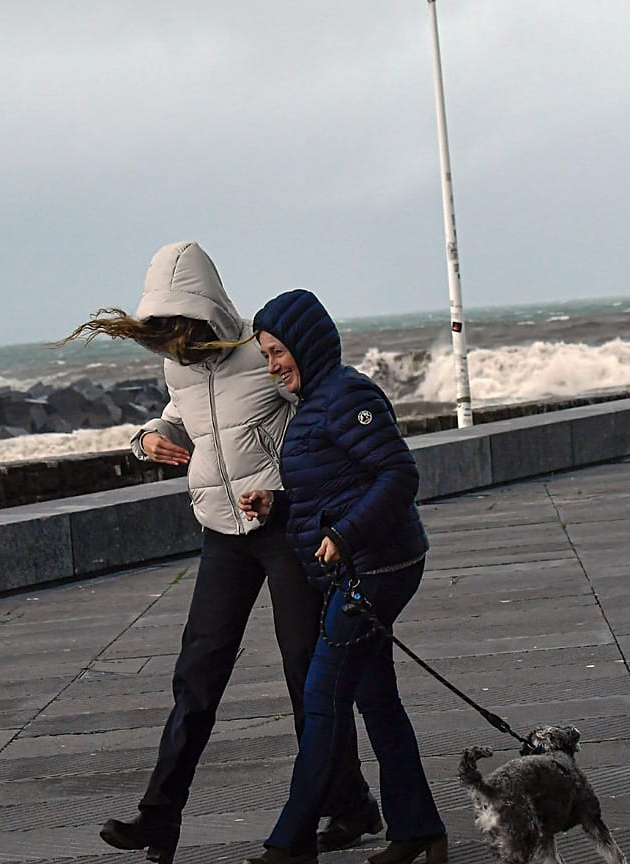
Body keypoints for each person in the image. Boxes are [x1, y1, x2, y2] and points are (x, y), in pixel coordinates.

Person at [59, 243, 380, 861]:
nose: (172, 341)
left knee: (303, 677)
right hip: (220, 536)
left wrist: (309, 499)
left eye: (179, 325)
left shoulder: (259, 354)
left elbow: (318, 419)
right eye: (162, 330)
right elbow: (180, 418)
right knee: (196, 679)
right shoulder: (177, 365)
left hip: (283, 531)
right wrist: (148, 438)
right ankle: (159, 818)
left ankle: (346, 805)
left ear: (204, 307)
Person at [237, 289, 446, 864]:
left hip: (377, 568)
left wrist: (346, 536)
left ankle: (291, 842)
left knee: (323, 698)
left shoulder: (347, 394)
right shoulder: (318, 403)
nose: (274, 366)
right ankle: (418, 829)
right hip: (359, 567)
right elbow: (331, 492)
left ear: (305, 343)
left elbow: (399, 473)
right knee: (376, 699)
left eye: (278, 352)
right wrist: (276, 508)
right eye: (267, 357)